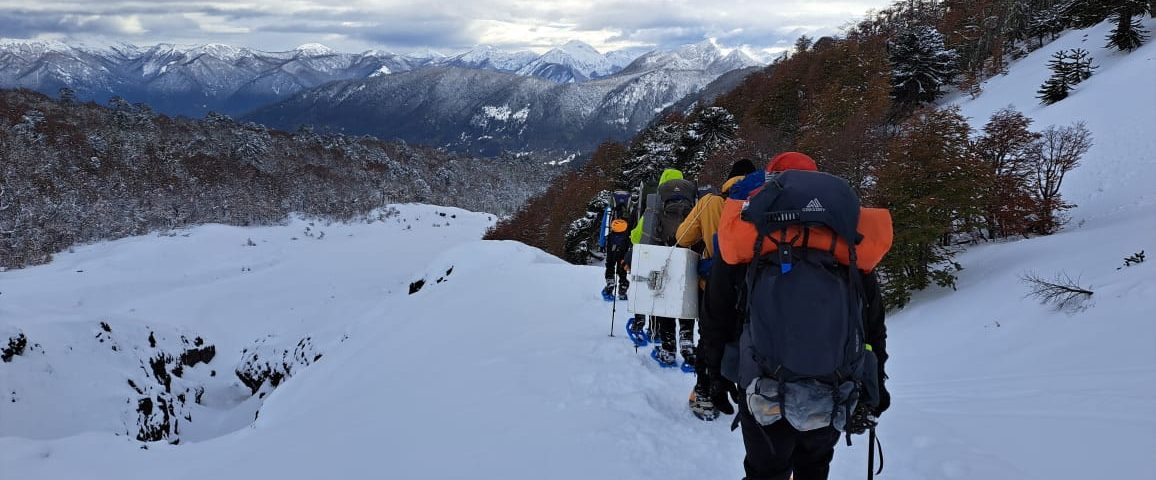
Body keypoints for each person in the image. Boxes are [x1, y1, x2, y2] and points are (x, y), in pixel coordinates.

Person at [702, 152, 891, 480]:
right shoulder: (845, 243)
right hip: (833, 384)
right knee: (814, 469)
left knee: (765, 471)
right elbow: (871, 323)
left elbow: (715, 314)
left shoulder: (751, 238)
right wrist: (878, 382)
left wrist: (711, 375)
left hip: (761, 384)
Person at [675, 158, 757, 420]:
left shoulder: (711, 202)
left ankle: (705, 394)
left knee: (710, 339)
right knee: (749, 339)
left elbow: (682, 236)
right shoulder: (766, 201)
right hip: (756, 288)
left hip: (714, 284)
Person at [629, 168, 697, 367]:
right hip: (688, 256)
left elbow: (638, 236)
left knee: (665, 302)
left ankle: (668, 349)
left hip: (663, 258)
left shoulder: (656, 203)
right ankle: (687, 341)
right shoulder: (693, 200)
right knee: (686, 299)